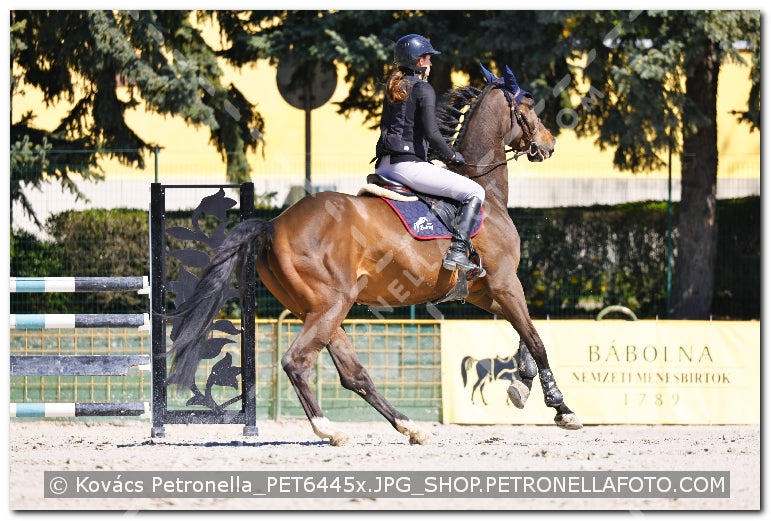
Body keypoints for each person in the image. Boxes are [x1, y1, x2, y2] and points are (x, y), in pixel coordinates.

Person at [374, 33, 486, 277]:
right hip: (407, 167)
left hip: (383, 167)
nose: (431, 64)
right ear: (419, 61)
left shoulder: (395, 87)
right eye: (428, 58)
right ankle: (457, 251)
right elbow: (432, 133)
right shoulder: (422, 88)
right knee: (476, 191)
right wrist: (451, 156)